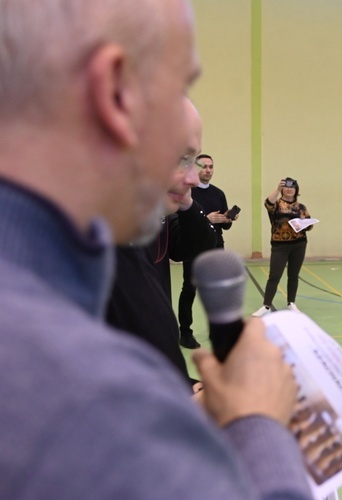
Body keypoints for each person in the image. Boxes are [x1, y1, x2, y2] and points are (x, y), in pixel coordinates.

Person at [0, 1, 312, 498]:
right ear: (115, 93)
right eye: (179, 89)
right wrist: (258, 424)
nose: (189, 173)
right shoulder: (80, 388)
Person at [107, 99, 216, 386]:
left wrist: (186, 202)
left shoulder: (153, 216)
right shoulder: (92, 258)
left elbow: (197, 246)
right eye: (182, 159)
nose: (193, 177)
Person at [178, 153, 235, 348]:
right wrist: (206, 220)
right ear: (196, 168)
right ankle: (185, 332)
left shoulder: (218, 193)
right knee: (189, 290)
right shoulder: (188, 193)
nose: (208, 170)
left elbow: (224, 225)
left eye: (211, 166)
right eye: (204, 166)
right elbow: (184, 222)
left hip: (216, 248)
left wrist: (227, 219)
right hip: (193, 250)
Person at [253, 177, 313, 317]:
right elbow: (268, 204)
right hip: (280, 245)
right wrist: (277, 189)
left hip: (299, 244)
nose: (289, 189)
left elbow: (309, 224)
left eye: (292, 187)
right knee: (274, 275)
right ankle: (266, 305)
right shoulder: (277, 204)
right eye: (286, 186)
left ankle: (291, 303)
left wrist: (306, 225)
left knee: (293, 275)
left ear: (296, 190)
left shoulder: (301, 207)